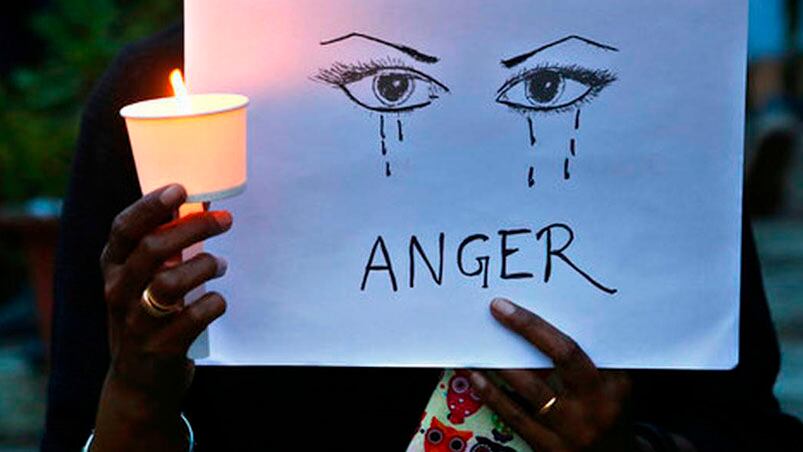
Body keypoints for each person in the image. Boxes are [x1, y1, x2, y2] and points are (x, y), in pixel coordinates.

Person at [42, 23, 803, 451]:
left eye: (546, 92)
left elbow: (744, 430)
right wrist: (138, 393)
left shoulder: (640, 70)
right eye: (384, 88)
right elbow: (87, 427)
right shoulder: (175, 95)